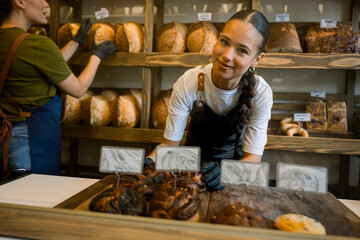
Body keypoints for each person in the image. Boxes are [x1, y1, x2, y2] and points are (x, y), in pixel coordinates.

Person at [147, 9, 273, 191]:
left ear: (257, 59)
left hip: (234, 178)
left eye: (242, 50)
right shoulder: (189, 82)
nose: (227, 56)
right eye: (224, 42)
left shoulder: (260, 93)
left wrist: (227, 174)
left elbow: (253, 159)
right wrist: (148, 163)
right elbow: (169, 145)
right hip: (188, 176)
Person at [0, 0, 117, 178]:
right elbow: (78, 89)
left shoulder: (13, 42)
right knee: (36, 199)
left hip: (5, 138)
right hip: (31, 143)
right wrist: (96, 57)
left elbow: (45, 64)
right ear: (20, 2)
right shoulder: (38, 44)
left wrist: (76, 41)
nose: (46, 4)